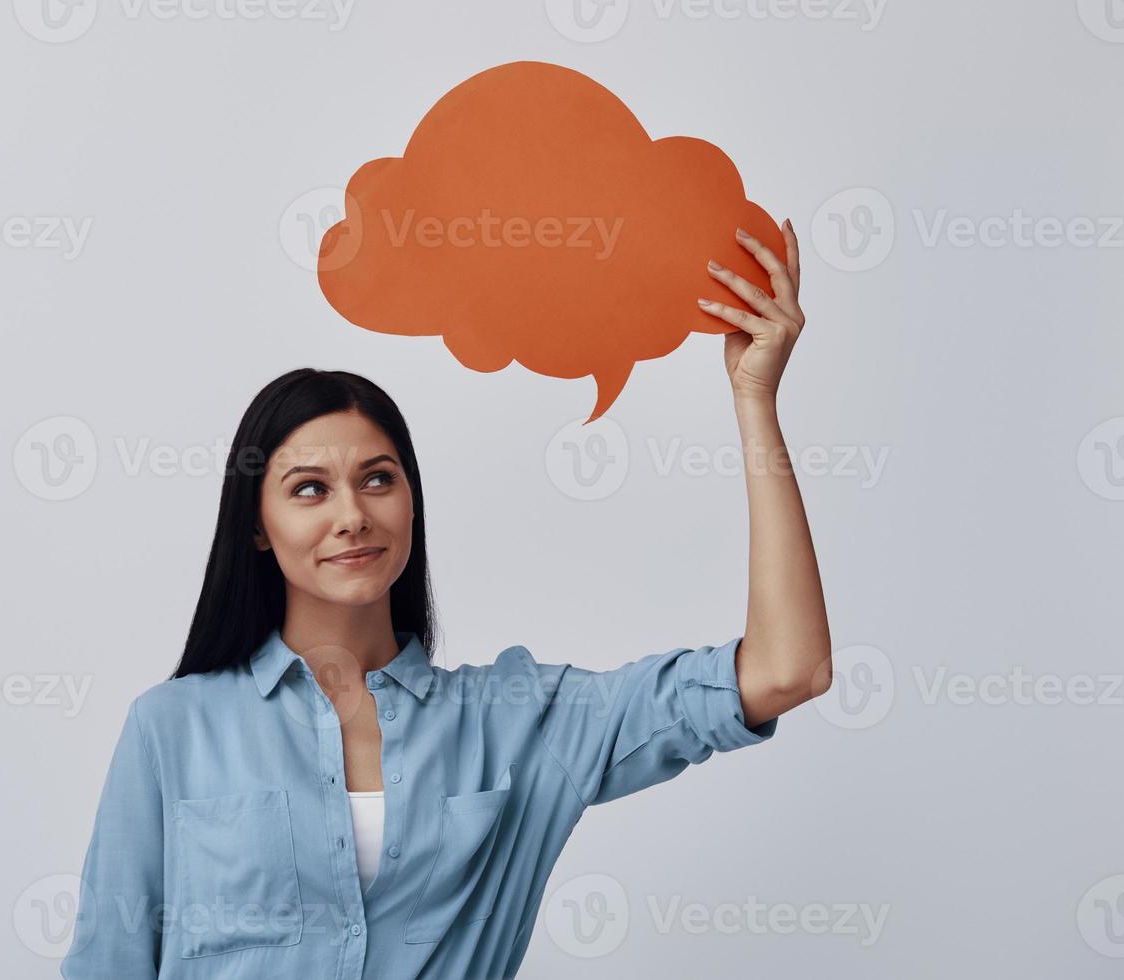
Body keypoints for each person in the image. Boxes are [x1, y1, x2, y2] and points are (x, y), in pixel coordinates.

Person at [60, 223, 830, 979]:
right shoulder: (172, 728)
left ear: (411, 501)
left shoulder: (520, 721)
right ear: (257, 528)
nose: (351, 514)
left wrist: (754, 401)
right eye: (307, 490)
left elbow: (786, 670)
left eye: (377, 478)